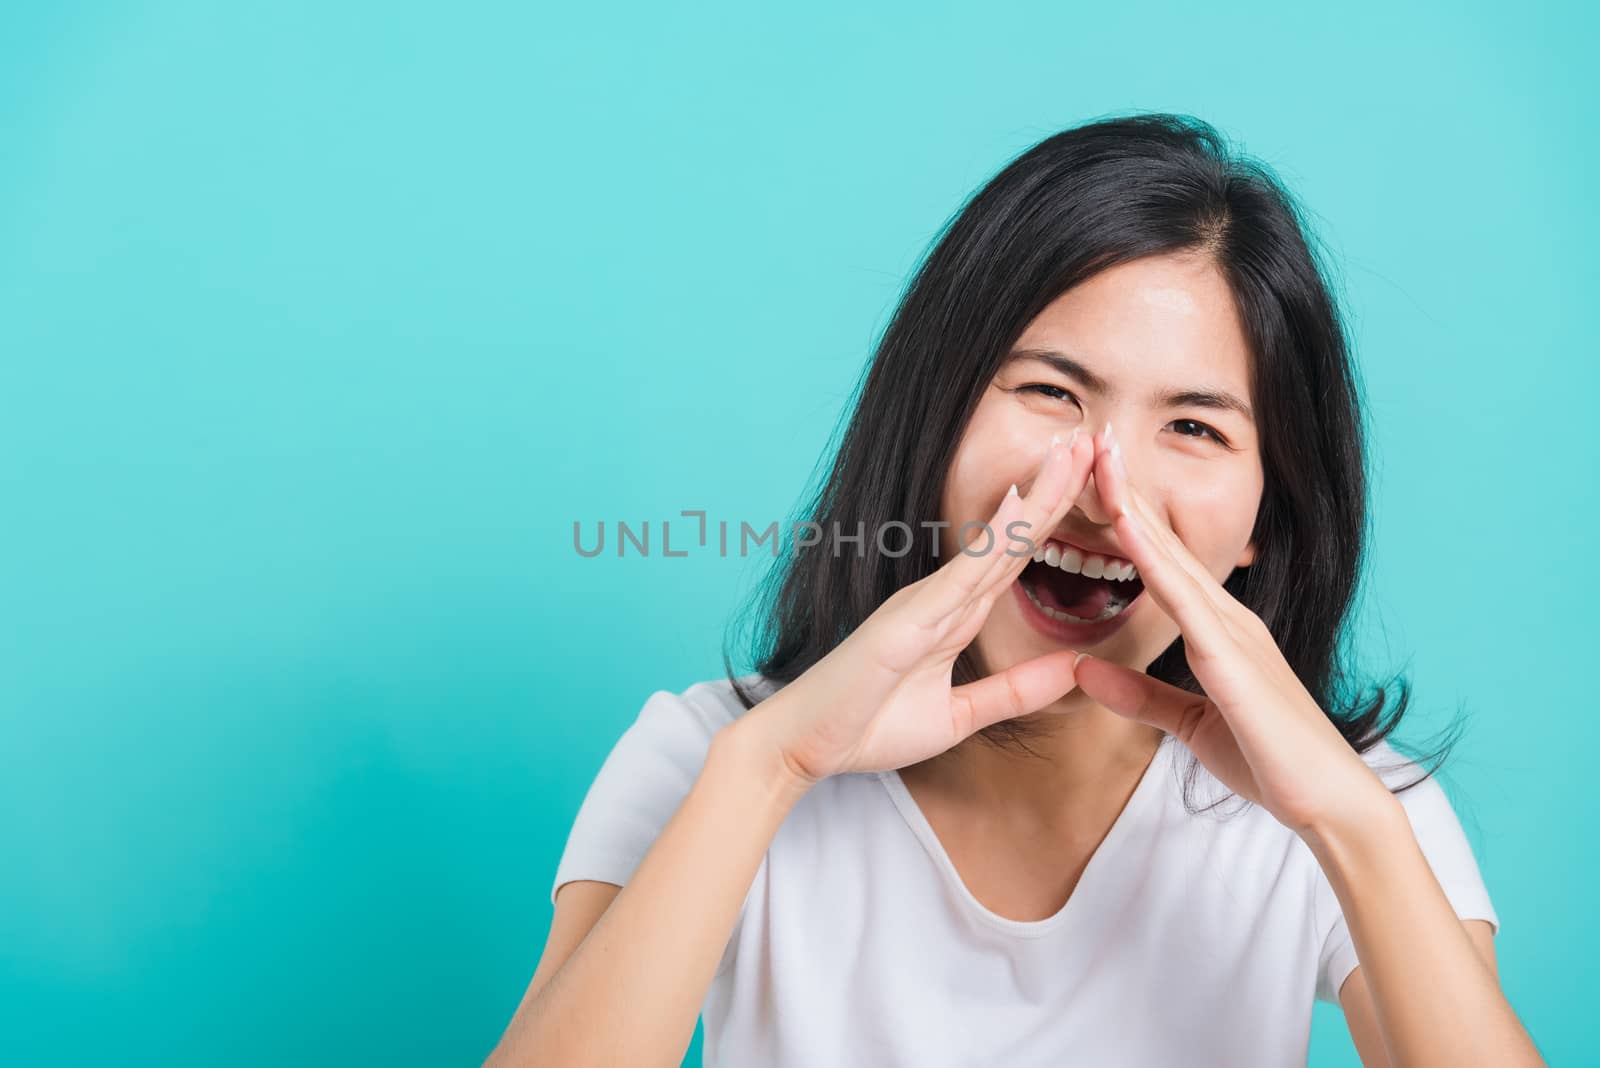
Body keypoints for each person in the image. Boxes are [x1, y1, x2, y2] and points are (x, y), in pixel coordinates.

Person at [485, 113, 1544, 1066]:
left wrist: (1347, 829)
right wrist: (773, 770)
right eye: (1049, 392)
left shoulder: (1353, 806)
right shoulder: (709, 759)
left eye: (1193, 426)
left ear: (1268, 520)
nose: (1098, 488)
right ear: (934, 420)